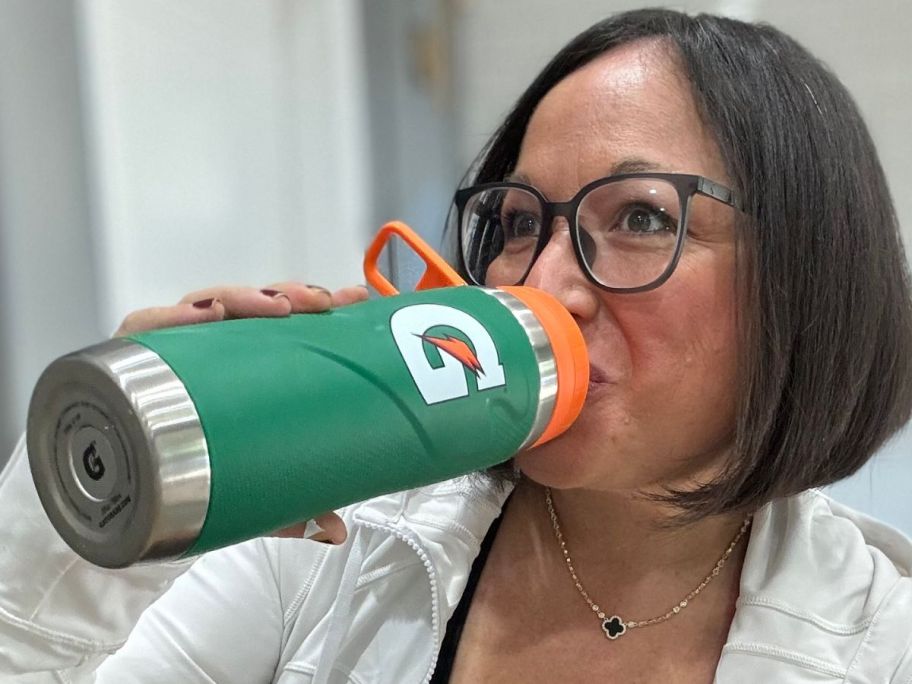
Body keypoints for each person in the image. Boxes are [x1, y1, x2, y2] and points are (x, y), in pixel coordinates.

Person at [2, 8, 912, 683]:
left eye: (640, 218)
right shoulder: (336, 532)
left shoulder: (881, 645)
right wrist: (69, 538)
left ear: (808, 279)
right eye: (519, 222)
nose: (545, 285)